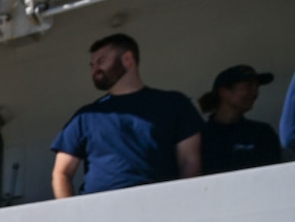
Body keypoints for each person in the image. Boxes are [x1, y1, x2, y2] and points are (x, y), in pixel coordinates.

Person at [51, 34, 201, 197]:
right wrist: (72, 217)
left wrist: (184, 203)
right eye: (92, 65)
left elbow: (190, 161)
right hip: (98, 213)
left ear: (128, 59)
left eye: (101, 61)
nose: (94, 70)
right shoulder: (86, 116)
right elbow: (61, 173)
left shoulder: (174, 104)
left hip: (160, 205)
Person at [198, 65, 282, 175]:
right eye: (248, 86)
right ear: (224, 92)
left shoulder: (262, 133)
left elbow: (275, 175)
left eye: (256, 87)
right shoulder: (200, 136)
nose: (254, 92)